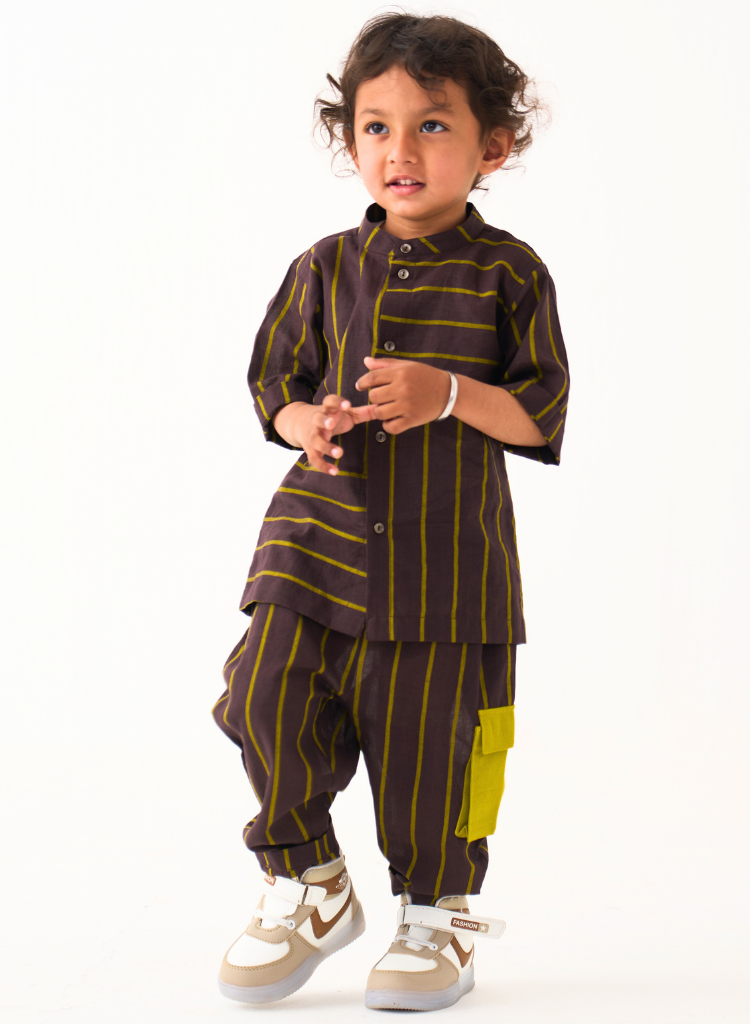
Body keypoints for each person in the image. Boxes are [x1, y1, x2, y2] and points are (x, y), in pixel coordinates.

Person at [211, 11, 570, 1012]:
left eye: (432, 125)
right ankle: (309, 881)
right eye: (376, 127)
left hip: (445, 571)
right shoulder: (324, 266)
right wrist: (308, 421)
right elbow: (274, 387)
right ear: (351, 138)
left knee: (431, 753)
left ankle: (436, 917)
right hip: (314, 546)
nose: (400, 151)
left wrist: (447, 393)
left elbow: (539, 412)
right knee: (261, 695)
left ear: (493, 146)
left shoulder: (511, 274)